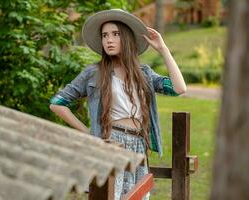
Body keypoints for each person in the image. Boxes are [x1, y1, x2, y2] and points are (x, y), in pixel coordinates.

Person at [49, 9, 186, 200]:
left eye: (115, 34)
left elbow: (179, 88)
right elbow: (57, 103)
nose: (109, 40)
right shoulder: (94, 72)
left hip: (139, 144)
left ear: (127, 38)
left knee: (137, 197)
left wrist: (163, 49)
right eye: (105, 35)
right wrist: (89, 133)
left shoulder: (144, 73)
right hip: (112, 142)